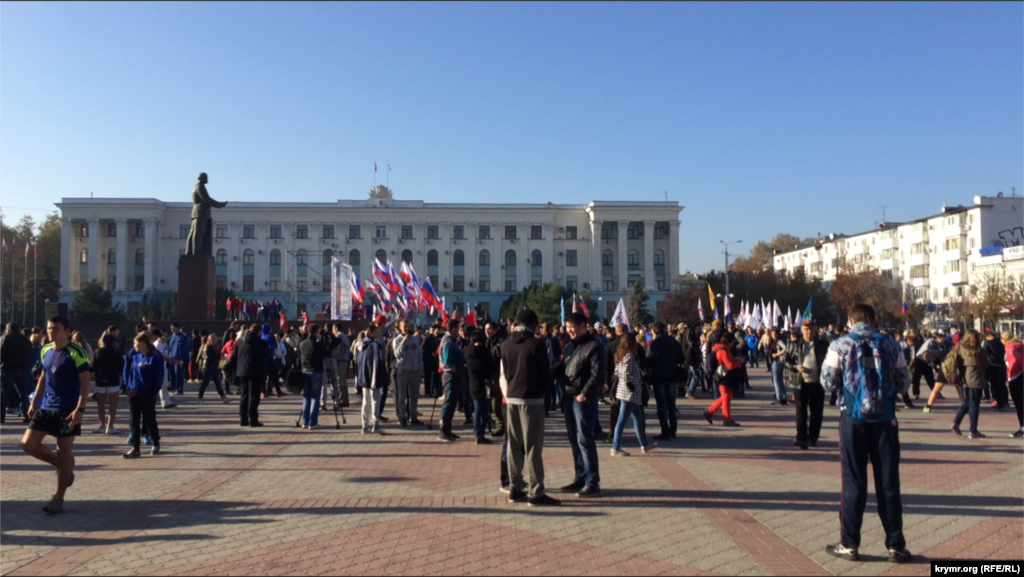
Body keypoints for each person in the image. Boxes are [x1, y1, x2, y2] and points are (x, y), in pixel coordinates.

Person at [821, 304, 910, 563]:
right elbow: (904, 383)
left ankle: (850, 543)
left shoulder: (840, 344)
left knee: (853, 481)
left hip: (853, 417)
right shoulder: (892, 344)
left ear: (850, 320)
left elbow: (828, 383)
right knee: (889, 482)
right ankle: (895, 545)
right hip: (885, 419)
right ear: (873, 319)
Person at [21, 316, 91, 515]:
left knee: (64, 451)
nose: (51, 332)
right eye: (49, 328)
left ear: (67, 331)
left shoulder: (77, 352)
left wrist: (80, 409)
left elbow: (85, 383)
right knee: (28, 444)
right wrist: (34, 402)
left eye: (56, 328)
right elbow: (44, 377)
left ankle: (58, 498)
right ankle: (64, 466)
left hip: (67, 409)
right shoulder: (45, 350)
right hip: (46, 407)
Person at [500, 309, 560, 507]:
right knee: (533, 446)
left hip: (512, 397)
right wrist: (543, 391)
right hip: (532, 398)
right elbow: (545, 373)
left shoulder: (505, 344)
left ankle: (515, 488)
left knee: (513, 444)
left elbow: (506, 372)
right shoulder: (537, 343)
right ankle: (536, 491)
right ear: (533, 323)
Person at [561, 311, 606, 498]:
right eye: (567, 327)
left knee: (585, 440)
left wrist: (584, 394)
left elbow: (598, 375)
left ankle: (592, 481)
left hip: (583, 400)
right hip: (568, 397)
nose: (569, 330)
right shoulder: (569, 347)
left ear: (582, 326)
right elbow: (563, 369)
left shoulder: (594, 347)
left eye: (573, 327)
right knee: (574, 440)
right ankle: (580, 476)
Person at [785, 321, 828, 449]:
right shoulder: (793, 344)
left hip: (817, 382)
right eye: (806, 329)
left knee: (816, 411)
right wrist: (795, 367)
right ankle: (801, 437)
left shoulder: (823, 345)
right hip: (800, 383)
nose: (809, 332)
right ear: (801, 330)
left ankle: (813, 437)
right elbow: (785, 360)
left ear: (815, 329)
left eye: (811, 329)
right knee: (801, 410)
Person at [122, 333, 165, 458]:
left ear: (142, 343)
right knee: (133, 420)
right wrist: (128, 385)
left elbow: (159, 376)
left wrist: (154, 391)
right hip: (134, 391)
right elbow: (129, 371)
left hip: (148, 392)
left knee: (149, 418)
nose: (133, 346)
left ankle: (155, 442)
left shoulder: (155, 358)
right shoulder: (135, 356)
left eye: (135, 343)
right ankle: (135, 447)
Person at [610, 332, 653, 456]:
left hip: (625, 391)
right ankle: (615, 446)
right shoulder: (629, 356)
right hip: (629, 393)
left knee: (638, 417)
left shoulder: (621, 355)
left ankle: (643, 444)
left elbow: (617, 371)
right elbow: (625, 373)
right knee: (622, 420)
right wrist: (630, 384)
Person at [950, 329, 989, 439]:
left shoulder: (959, 348)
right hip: (976, 380)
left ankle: (956, 422)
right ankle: (973, 430)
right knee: (974, 405)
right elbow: (986, 364)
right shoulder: (979, 350)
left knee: (968, 402)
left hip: (963, 380)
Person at [702, 331, 744, 427]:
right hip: (723, 377)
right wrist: (739, 361)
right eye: (732, 342)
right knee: (726, 397)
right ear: (729, 342)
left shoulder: (723, 349)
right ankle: (727, 419)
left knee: (727, 396)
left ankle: (710, 411)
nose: (733, 344)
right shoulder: (723, 351)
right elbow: (730, 365)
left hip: (725, 376)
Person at [646, 321, 678, 441]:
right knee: (671, 405)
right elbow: (681, 357)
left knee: (661, 405)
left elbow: (648, 360)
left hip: (658, 377)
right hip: (672, 376)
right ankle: (673, 430)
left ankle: (665, 431)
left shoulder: (654, 344)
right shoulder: (673, 342)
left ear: (654, 331)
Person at [235, 324, 269, 428]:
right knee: (254, 396)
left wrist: (227, 367)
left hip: (242, 371)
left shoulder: (240, 341)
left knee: (244, 395)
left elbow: (234, 355)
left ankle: (243, 419)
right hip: (256, 371)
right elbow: (267, 353)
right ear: (259, 332)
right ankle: (253, 420)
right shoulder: (261, 342)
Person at [356, 323, 388, 434]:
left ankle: (364, 425)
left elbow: (358, 362)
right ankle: (375, 424)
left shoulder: (360, 344)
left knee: (366, 402)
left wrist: (358, 378)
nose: (377, 334)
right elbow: (375, 361)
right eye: (376, 332)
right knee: (375, 401)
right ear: (370, 332)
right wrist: (375, 379)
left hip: (364, 377)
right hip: (373, 376)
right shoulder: (374, 345)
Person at [1, 322, 35, 424]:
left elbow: (1, 353)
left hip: (8, 369)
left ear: (8, 329)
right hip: (23, 369)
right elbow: (29, 352)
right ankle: (28, 415)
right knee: (24, 394)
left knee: (4, 394)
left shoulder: (6, 338)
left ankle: (1, 416)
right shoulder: (25, 339)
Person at [90, 334, 124, 435]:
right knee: (113, 404)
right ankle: (110, 426)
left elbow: (91, 367)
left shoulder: (98, 352)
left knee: (100, 404)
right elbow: (122, 366)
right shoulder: (116, 352)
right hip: (113, 380)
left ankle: (102, 425)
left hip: (100, 380)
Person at [465, 329, 495, 443]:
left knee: (477, 409)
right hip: (484, 384)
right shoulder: (484, 352)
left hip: (473, 383)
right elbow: (491, 367)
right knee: (483, 411)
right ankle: (480, 434)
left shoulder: (468, 352)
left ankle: (478, 434)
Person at [438, 319, 466, 442]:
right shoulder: (447, 341)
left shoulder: (452, 340)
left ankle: (448, 430)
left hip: (455, 374)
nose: (460, 330)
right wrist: (461, 354)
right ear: (453, 329)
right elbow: (447, 358)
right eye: (458, 328)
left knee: (452, 402)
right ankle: (443, 431)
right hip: (449, 374)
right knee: (448, 402)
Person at [392, 321, 424, 427]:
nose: (406, 328)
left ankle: (413, 417)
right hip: (403, 370)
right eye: (404, 326)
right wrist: (403, 342)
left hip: (415, 371)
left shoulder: (415, 339)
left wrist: (421, 367)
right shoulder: (397, 340)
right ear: (400, 328)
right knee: (402, 396)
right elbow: (397, 354)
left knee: (414, 396)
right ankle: (402, 417)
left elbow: (419, 353)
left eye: (408, 326)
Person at [298, 323, 328, 429]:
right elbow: (328, 354)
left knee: (306, 396)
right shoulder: (318, 344)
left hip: (305, 371)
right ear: (316, 332)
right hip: (316, 371)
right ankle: (313, 422)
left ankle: (305, 421)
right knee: (315, 397)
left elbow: (299, 355)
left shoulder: (302, 343)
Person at [1003, 332, 1024, 438]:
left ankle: (1022, 428)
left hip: (1015, 377)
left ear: (1003, 339)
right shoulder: (1020, 346)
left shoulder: (1010, 347)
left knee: (1020, 405)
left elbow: (1020, 358)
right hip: (1020, 375)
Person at [982, 331, 1009, 411]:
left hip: (992, 365)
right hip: (1002, 365)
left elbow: (984, 353)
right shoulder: (1002, 342)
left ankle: (998, 402)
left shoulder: (988, 343)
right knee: (1002, 384)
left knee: (994, 385)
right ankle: (1005, 402)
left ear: (990, 336)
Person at [167, 323, 191, 395]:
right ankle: (173, 388)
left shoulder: (183, 336)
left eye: (173, 328)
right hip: (171, 358)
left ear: (177, 328)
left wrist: (183, 359)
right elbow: (170, 347)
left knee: (178, 374)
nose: (172, 329)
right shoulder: (172, 336)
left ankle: (179, 389)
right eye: (171, 328)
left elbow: (185, 349)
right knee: (172, 374)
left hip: (179, 358)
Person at [768, 329, 788, 405]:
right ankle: (783, 398)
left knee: (776, 381)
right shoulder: (773, 341)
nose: (774, 336)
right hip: (777, 362)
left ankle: (779, 398)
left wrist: (777, 354)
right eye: (773, 334)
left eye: (775, 334)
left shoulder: (779, 341)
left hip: (777, 362)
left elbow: (786, 349)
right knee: (780, 381)